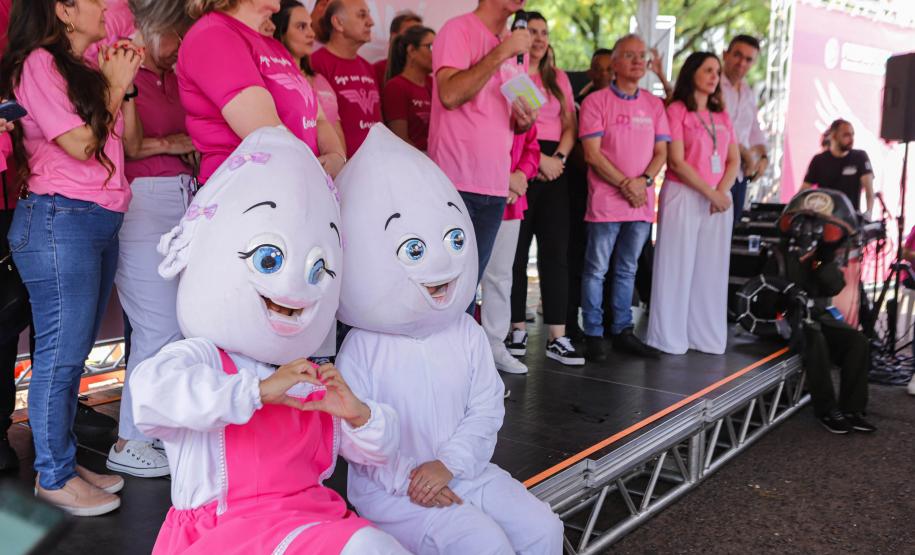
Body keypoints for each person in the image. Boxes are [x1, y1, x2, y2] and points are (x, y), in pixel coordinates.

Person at [132, 128, 408, 554]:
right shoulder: (202, 357)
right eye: (269, 259)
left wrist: (359, 414)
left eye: (318, 271)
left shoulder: (311, 376)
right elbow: (150, 396)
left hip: (310, 517)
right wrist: (258, 391)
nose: (296, 287)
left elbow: (379, 451)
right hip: (223, 532)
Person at [335, 125, 564, 555]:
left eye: (454, 241)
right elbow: (354, 436)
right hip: (394, 491)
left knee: (543, 529)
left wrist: (450, 464)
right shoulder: (362, 347)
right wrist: (415, 478)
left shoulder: (466, 331)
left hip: (465, 470)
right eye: (415, 251)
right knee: (483, 544)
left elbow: (486, 407)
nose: (441, 264)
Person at [1, 0, 143, 515]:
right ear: (63, 10)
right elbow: (81, 145)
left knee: (70, 355)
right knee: (60, 359)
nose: (105, 6)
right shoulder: (39, 63)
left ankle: (60, 459)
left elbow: (128, 142)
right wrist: (114, 85)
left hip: (95, 220)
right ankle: (54, 476)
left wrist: (121, 83)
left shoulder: (85, 68)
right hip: (60, 220)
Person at [104, 0, 197, 479]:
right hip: (142, 200)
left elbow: (195, 139)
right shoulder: (125, 70)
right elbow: (132, 146)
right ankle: (130, 439)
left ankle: (158, 427)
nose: (180, 44)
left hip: (185, 198)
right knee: (156, 326)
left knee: (179, 325)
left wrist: (177, 145)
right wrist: (174, 143)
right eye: (174, 33)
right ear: (150, 28)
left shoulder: (175, 77)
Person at [429, 0, 536, 308]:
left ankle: (463, 340)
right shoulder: (458, 30)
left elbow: (510, 117)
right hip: (456, 183)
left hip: (495, 185)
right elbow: (450, 94)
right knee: (443, 287)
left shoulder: (517, 44)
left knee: (468, 288)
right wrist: (502, 51)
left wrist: (524, 120)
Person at [179, 0, 346, 185]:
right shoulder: (213, 34)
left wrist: (335, 155)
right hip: (246, 190)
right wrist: (316, 171)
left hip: (292, 184)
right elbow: (268, 134)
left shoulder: (273, 45)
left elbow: (318, 117)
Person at [578, 34, 670, 361]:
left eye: (642, 56)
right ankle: (593, 332)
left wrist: (643, 182)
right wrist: (626, 184)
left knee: (627, 269)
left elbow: (662, 152)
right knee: (596, 270)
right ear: (614, 63)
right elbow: (592, 154)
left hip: (640, 203)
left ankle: (622, 330)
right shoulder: (596, 102)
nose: (637, 61)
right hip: (606, 202)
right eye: (629, 55)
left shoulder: (654, 104)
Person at [645, 52, 740, 355]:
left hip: (718, 199)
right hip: (684, 194)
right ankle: (668, 337)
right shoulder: (677, 110)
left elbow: (734, 159)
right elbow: (676, 161)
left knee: (711, 270)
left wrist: (721, 192)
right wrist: (711, 194)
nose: (714, 77)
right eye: (708, 70)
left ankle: (704, 336)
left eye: (717, 72)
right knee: (676, 265)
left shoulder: (721, 114)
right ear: (692, 72)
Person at [507, 14, 582, 366]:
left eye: (543, 33)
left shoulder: (558, 78)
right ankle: (516, 328)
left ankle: (557, 335)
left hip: (555, 168)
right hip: (520, 163)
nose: (538, 38)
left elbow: (570, 126)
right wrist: (537, 162)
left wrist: (558, 160)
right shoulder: (511, 71)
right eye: (531, 32)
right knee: (516, 254)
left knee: (555, 253)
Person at [481, 126, 539, 375]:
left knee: (500, 276)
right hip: (475, 193)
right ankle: (460, 349)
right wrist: (505, 179)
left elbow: (532, 147)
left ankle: (494, 345)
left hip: (511, 200)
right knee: (463, 278)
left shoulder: (522, 103)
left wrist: (519, 177)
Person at [272, 0, 347, 151]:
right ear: (281, 32)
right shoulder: (274, 81)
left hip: (337, 163)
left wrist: (342, 160)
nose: (311, 34)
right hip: (298, 161)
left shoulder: (320, 80)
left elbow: (337, 128)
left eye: (311, 26)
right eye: (301, 26)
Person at [311, 0, 382, 158]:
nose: (371, 22)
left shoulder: (368, 66)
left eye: (369, 15)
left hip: (377, 162)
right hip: (343, 166)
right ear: (338, 23)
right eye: (362, 15)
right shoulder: (316, 64)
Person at [720, 34, 768, 224]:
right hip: (715, 173)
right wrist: (743, 152)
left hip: (740, 175)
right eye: (737, 55)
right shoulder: (713, 85)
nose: (742, 63)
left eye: (748, 59)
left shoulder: (748, 91)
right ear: (725, 54)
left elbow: (754, 129)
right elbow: (717, 130)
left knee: (730, 232)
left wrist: (763, 157)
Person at [801, 119, 874, 215]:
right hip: (824, 217)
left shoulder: (860, 157)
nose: (851, 139)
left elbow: (869, 190)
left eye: (852, 135)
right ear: (834, 136)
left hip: (850, 219)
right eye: (846, 135)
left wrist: (868, 213)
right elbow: (803, 191)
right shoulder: (818, 160)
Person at [382, 25, 434, 151]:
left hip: (434, 156)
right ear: (411, 50)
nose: (437, 53)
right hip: (413, 158)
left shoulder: (433, 84)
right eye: (431, 47)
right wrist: (424, 159)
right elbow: (400, 138)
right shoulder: (396, 86)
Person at [375, 10, 421, 84]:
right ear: (393, 37)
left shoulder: (426, 74)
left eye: (421, 33)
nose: (418, 38)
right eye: (411, 32)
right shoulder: (375, 70)